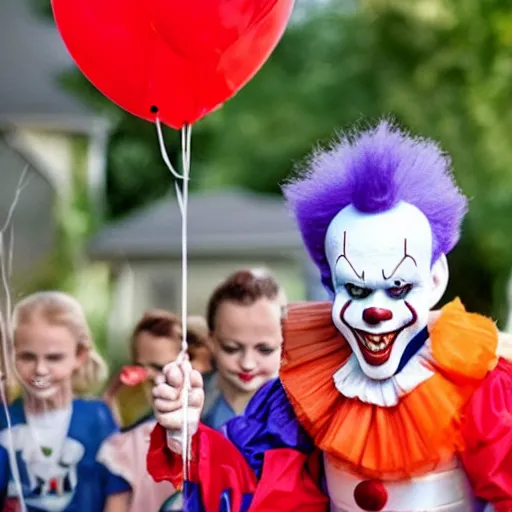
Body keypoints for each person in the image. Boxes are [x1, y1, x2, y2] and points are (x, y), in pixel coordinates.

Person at [147, 121, 512, 511]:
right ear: (330, 284)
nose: (375, 311)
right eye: (356, 289)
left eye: (398, 288)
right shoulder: (307, 392)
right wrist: (185, 435)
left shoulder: (481, 386)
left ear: (436, 279)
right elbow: (252, 487)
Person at [0, 291, 130, 512]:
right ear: (12, 355)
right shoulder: (5, 419)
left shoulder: (98, 417)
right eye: (27, 357)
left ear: (79, 355)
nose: (40, 369)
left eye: (54, 357)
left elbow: (117, 492)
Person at [98, 310, 212, 512]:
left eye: (163, 368)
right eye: (141, 367)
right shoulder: (125, 445)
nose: (151, 378)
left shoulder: (213, 429)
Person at [200, 268, 286, 430]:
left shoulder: (302, 412)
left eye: (265, 349)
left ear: (285, 343)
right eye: (231, 349)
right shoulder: (186, 404)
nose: (247, 363)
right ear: (211, 341)